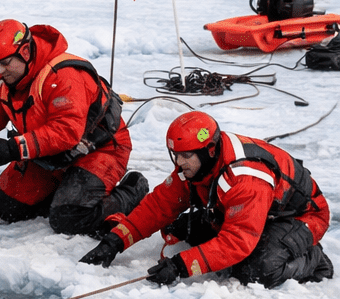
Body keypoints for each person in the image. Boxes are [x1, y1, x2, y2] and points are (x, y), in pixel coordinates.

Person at [0, 20, 146, 235]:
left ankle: (132, 189)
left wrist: (13, 149)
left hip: (99, 151)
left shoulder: (63, 76)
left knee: (68, 219)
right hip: (47, 154)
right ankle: (65, 191)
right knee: (0, 211)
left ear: (25, 52)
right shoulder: (7, 77)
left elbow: (66, 131)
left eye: (5, 63)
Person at [80, 111, 333, 288]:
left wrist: (181, 266)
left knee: (256, 271)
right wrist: (114, 241)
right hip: (251, 211)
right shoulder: (199, 163)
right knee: (178, 228)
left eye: (185, 156)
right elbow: (159, 206)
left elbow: (237, 241)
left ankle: (313, 259)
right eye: (175, 155)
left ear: (209, 150)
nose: (178, 163)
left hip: (301, 217)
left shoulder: (245, 179)